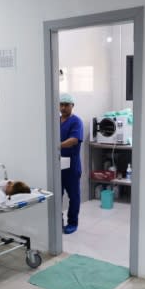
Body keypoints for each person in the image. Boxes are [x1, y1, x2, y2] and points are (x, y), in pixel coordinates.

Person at [59, 92, 84, 234]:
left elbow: (74, 139)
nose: (63, 108)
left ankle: (72, 222)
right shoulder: (55, 121)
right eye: (61, 105)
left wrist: (58, 145)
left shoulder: (76, 121)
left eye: (66, 105)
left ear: (72, 106)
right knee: (57, 195)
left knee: (73, 196)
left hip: (72, 166)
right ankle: (58, 220)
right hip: (58, 165)